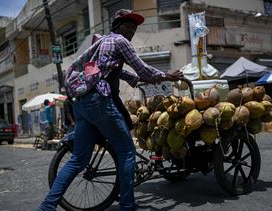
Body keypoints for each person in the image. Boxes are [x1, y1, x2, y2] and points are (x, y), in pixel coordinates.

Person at [37, 9, 183, 211]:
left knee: (78, 160)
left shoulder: (102, 42)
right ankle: (127, 205)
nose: (131, 29)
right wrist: (167, 76)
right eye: (127, 24)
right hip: (99, 102)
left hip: (81, 104)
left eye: (134, 26)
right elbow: (143, 68)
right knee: (126, 151)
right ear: (117, 26)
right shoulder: (120, 41)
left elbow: (113, 68)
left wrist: (132, 79)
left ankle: (47, 207)